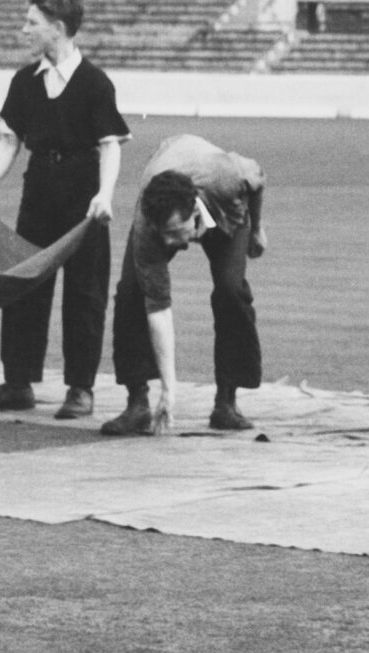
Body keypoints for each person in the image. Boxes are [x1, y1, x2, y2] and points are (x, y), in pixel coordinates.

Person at [0, 0, 128, 418]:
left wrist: (104, 194)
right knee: (24, 288)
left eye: (32, 23)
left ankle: (80, 389)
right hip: (38, 192)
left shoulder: (95, 83)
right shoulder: (25, 82)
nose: (24, 30)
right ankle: (18, 383)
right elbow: (9, 142)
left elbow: (110, 145)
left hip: (84, 197)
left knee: (84, 293)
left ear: (58, 28)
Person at [99, 134, 268, 436]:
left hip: (225, 210)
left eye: (176, 232)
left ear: (194, 213)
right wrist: (169, 391)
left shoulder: (227, 177)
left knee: (231, 290)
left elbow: (257, 181)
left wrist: (257, 229)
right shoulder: (148, 224)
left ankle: (226, 403)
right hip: (171, 178)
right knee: (130, 292)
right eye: (164, 234)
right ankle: (137, 403)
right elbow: (159, 310)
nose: (169, 243)